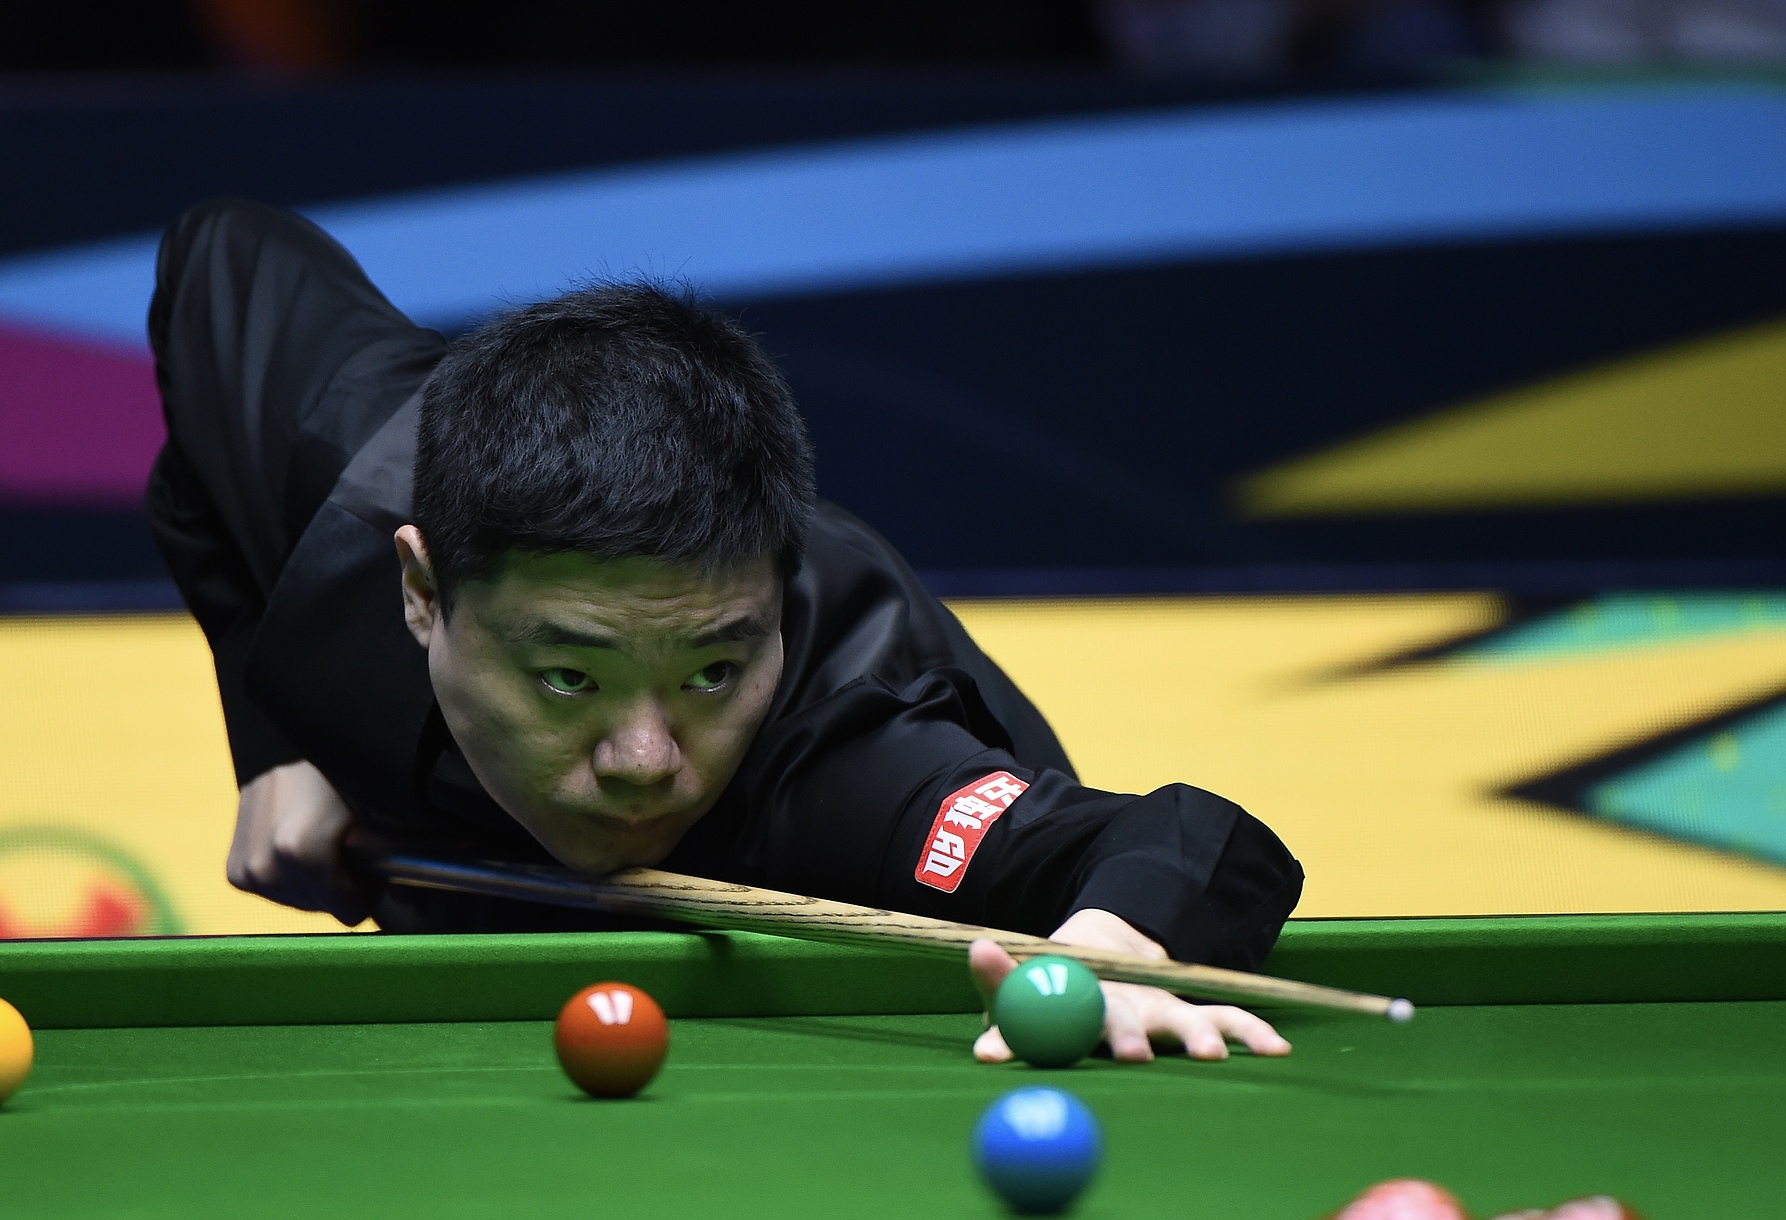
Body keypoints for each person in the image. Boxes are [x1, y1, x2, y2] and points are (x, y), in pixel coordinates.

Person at [146, 199, 1306, 1065]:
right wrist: (274, 743)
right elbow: (218, 254)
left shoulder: (854, 764)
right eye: (567, 678)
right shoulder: (337, 470)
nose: (645, 759)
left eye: (710, 670)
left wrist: (1110, 942)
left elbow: (1187, 839)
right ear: (420, 591)